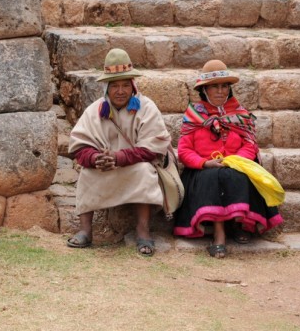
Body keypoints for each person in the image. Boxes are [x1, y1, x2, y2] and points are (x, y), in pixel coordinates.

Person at [173, 59, 283, 258]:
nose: (220, 91)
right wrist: (204, 163)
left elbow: (250, 144)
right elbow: (184, 151)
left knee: (235, 175)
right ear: (204, 90)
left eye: (225, 86)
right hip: (203, 170)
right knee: (213, 177)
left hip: (236, 165)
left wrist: (236, 161)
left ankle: (239, 225)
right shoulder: (193, 116)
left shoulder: (240, 114)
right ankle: (219, 234)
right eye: (214, 86)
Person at [67, 48, 171, 256]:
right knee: (87, 173)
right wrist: (96, 159)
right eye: (115, 86)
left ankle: (142, 230)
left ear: (133, 86)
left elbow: (153, 149)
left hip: (135, 166)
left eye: (125, 85)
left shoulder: (147, 107)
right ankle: (86, 230)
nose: (121, 91)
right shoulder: (94, 111)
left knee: (143, 171)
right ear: (107, 88)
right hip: (104, 167)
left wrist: (120, 157)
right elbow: (80, 147)